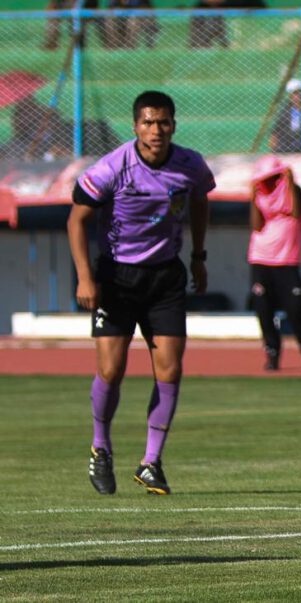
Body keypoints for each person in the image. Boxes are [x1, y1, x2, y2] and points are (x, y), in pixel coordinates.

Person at [66, 90, 215, 496]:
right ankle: (101, 447)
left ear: (173, 125)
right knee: (111, 370)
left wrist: (198, 256)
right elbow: (76, 219)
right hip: (116, 278)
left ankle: (151, 462)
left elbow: (201, 201)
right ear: (135, 126)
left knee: (170, 370)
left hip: (165, 277)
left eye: (163, 122)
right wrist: (84, 276)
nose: (156, 130)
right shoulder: (112, 167)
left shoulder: (189, 165)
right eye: (148, 123)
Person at [248, 155, 301, 371]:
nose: (269, 181)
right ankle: (272, 354)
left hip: (287, 262)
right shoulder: (260, 194)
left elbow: (298, 212)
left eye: (273, 176)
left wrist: (289, 182)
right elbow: (256, 224)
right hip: (261, 260)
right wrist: (253, 197)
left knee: (295, 310)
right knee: (264, 311)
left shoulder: (292, 191)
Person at [269, 79, 301, 153]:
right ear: (290, 96)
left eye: (299, 93)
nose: (297, 96)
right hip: (287, 144)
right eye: (294, 94)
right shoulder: (285, 110)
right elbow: (276, 129)